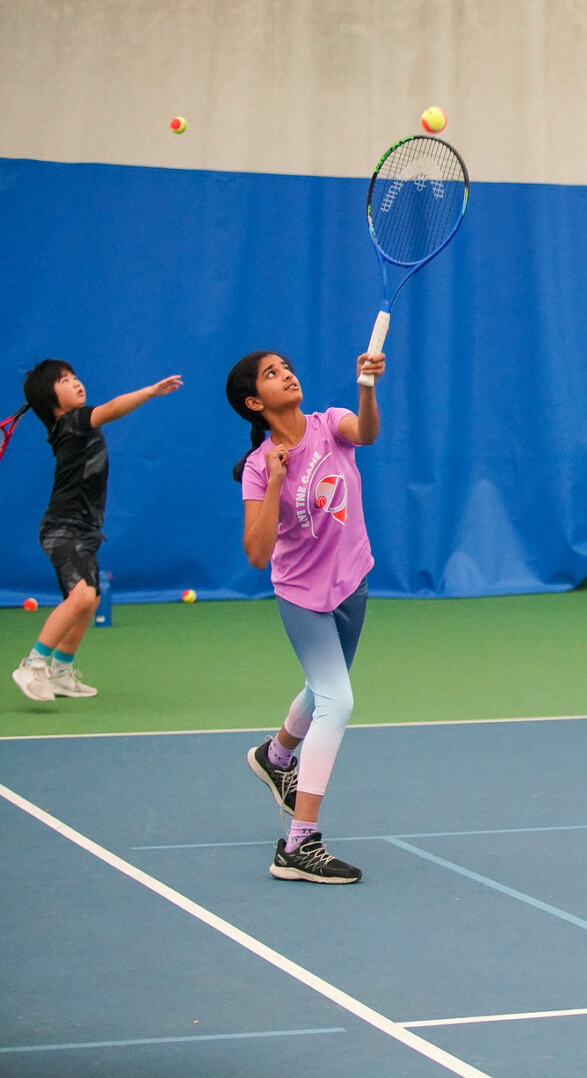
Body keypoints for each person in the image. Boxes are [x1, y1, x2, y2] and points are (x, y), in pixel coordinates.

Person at [229, 349, 383, 884]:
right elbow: (256, 551)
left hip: (352, 581)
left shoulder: (328, 424)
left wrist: (366, 385)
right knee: (338, 700)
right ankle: (299, 844)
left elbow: (365, 432)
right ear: (255, 402)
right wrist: (274, 479)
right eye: (271, 374)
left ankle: (276, 757)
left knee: (323, 690)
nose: (286, 374)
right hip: (303, 597)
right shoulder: (256, 467)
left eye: (286, 367)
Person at [9, 362, 182, 702]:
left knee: (90, 601)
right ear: (49, 397)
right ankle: (32, 664)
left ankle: (60, 671)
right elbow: (113, 409)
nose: (76, 383)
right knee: (83, 597)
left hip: (83, 531)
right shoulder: (72, 422)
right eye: (64, 380)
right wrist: (149, 391)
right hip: (63, 529)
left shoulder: (74, 426)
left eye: (75, 376)